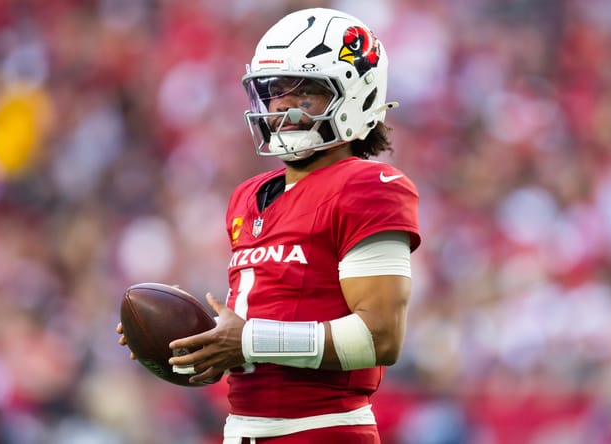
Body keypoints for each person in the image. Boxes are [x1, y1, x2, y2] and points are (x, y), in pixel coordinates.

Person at [118, 7, 420, 443]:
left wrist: (247, 341)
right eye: (275, 91)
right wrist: (189, 341)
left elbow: (380, 337)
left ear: (357, 96)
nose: (282, 107)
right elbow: (261, 331)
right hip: (243, 429)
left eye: (306, 93)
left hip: (322, 431)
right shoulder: (248, 196)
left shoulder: (370, 185)